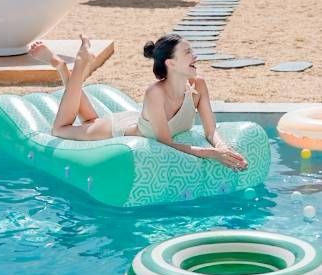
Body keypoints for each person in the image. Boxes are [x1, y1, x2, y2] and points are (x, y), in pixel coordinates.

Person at [29, 34, 247, 172]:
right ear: (171, 63)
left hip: (141, 121)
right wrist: (211, 154)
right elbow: (165, 141)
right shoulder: (155, 93)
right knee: (60, 129)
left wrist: (223, 147)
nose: (196, 56)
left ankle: (61, 67)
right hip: (119, 130)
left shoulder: (199, 85)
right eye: (188, 52)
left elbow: (211, 131)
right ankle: (70, 65)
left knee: (90, 119)